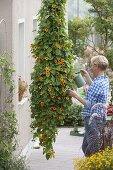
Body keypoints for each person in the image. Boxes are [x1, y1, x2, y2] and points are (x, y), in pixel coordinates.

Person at [69, 55, 109, 156]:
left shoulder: (97, 83)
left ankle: (93, 165)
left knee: (93, 148)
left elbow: (90, 105)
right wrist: (87, 76)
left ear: (96, 66)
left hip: (93, 118)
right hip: (99, 117)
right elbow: (95, 89)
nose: (91, 67)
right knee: (86, 146)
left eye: (92, 65)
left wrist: (75, 95)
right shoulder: (104, 79)